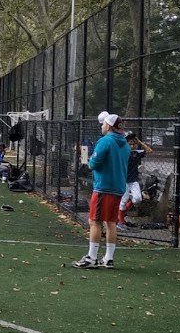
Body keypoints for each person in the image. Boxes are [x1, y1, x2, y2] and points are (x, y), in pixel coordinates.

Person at [73, 111, 130, 270]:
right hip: (118, 188)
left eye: (104, 123)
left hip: (104, 187)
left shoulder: (105, 141)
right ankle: (108, 258)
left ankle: (91, 257)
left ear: (110, 126)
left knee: (95, 221)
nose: (102, 125)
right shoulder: (124, 144)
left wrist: (90, 159)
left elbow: (93, 164)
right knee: (111, 222)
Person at [118, 132, 154, 232]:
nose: (132, 145)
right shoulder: (122, 152)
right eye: (130, 144)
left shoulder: (136, 153)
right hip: (124, 181)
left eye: (133, 144)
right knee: (123, 201)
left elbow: (150, 151)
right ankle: (120, 222)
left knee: (137, 199)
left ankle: (121, 214)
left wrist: (139, 142)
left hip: (133, 181)